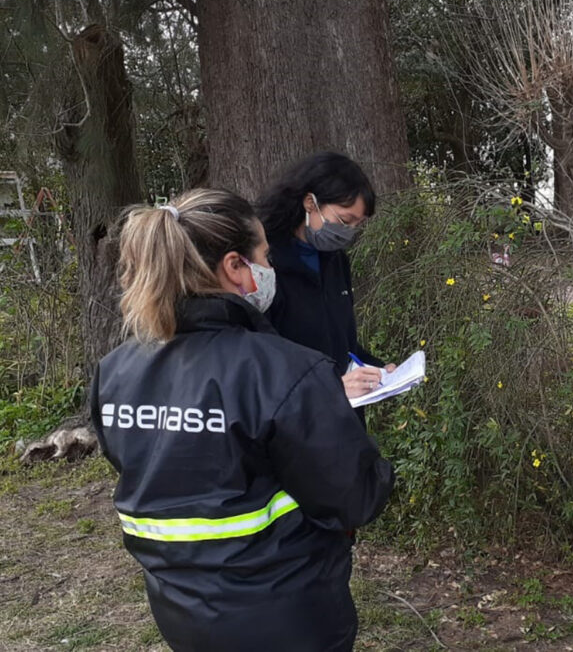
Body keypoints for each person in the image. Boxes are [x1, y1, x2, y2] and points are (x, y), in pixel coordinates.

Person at [89, 189, 395, 652]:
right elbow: (355, 496)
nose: (270, 270)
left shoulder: (115, 371)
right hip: (290, 614)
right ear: (235, 266)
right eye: (264, 256)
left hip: (181, 613)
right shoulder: (286, 370)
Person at [256, 152, 391, 401]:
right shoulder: (266, 265)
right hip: (296, 419)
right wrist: (331, 388)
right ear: (310, 203)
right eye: (344, 220)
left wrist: (378, 369)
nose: (348, 233)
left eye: (356, 225)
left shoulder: (336, 261)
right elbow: (263, 361)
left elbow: (341, 341)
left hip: (343, 418)